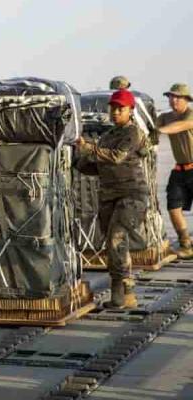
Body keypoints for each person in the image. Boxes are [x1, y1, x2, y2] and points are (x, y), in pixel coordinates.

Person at [75, 89, 150, 309]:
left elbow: (117, 157)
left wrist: (88, 147)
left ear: (130, 111)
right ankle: (122, 293)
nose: (116, 112)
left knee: (117, 238)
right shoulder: (108, 136)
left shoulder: (133, 133)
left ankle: (125, 292)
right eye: (113, 108)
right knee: (112, 244)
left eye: (121, 109)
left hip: (132, 195)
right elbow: (96, 167)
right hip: (109, 196)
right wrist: (75, 160)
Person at [155, 83, 193, 259]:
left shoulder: (190, 115)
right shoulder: (165, 117)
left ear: (186, 100)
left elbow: (180, 126)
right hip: (180, 169)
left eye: (177, 97)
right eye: (171, 96)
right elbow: (151, 125)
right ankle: (186, 243)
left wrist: (159, 131)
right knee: (173, 206)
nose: (173, 100)